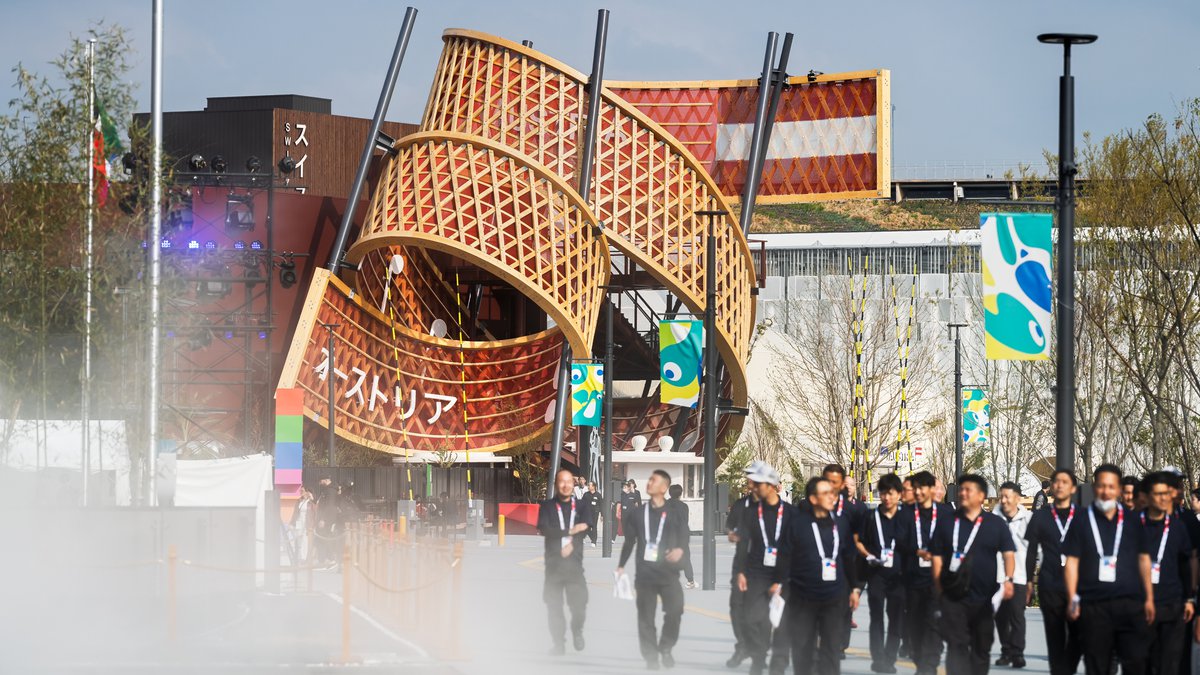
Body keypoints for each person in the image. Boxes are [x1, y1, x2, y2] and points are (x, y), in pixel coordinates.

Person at [1063, 463, 1154, 675]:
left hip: (1130, 604)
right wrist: (1072, 598)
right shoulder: (1081, 520)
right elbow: (1072, 563)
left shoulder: (1134, 521)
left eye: (1111, 487)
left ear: (1119, 489)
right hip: (1093, 606)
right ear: (1095, 488)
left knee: (1136, 661)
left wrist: (1149, 597)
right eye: (1101, 486)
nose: (1106, 492)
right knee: (1098, 665)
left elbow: (1144, 560)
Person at [931, 473, 1016, 675]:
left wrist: (1009, 580)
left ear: (981, 496)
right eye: (961, 489)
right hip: (953, 597)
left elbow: (1008, 555)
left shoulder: (995, 524)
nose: (963, 493)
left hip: (984, 599)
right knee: (956, 646)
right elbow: (936, 558)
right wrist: (940, 589)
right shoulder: (946, 522)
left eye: (968, 490)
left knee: (981, 648)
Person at [786, 476, 861, 675]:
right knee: (803, 649)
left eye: (833, 493)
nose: (832, 497)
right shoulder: (798, 525)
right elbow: (785, 559)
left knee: (831, 650)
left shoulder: (841, 523)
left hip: (833, 597)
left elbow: (847, 556)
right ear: (813, 498)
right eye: (826, 493)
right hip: (803, 597)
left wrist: (854, 587)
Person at [617, 470, 688, 670]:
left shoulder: (674, 512)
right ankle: (651, 657)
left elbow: (684, 534)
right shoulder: (638, 514)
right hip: (645, 575)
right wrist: (621, 565)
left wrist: (680, 549)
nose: (649, 483)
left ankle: (665, 647)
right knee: (645, 618)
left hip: (668, 573)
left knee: (675, 611)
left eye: (653, 480)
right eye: (649, 479)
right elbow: (630, 542)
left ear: (664, 488)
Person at [732, 463, 794, 675]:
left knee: (779, 621)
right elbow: (743, 543)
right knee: (750, 618)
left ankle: (774, 663)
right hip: (756, 571)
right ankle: (758, 655)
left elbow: (793, 547)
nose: (754, 488)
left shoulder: (790, 514)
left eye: (759, 484)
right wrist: (740, 571)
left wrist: (782, 579)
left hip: (783, 573)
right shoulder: (751, 512)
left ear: (771, 485)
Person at [1023, 469, 1083, 675]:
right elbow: (1031, 550)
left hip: (1078, 584)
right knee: (1054, 635)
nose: (1059, 485)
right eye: (1056, 482)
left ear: (1073, 488)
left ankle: (1066, 669)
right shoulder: (1041, 516)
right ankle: (1059, 670)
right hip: (1050, 582)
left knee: (1079, 634)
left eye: (1065, 482)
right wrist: (1029, 582)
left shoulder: (1083, 516)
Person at [1138, 472, 1196, 675]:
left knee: (1170, 662)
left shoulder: (1178, 526)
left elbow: (1185, 564)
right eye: (1157, 493)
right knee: (1146, 661)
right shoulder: (1134, 525)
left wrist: (1189, 598)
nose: (1163, 498)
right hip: (1141, 604)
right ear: (1146, 496)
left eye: (1166, 493)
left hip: (1173, 602)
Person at [855, 473, 907, 674]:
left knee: (896, 618)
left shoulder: (906, 518)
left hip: (899, 576)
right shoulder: (870, 516)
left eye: (890, 493)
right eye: (883, 493)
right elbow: (858, 541)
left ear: (899, 495)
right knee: (876, 617)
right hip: (876, 573)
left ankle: (890, 659)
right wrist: (867, 555)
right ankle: (877, 659)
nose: (886, 497)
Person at [898, 470, 948, 675]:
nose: (917, 492)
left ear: (931, 489)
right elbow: (898, 543)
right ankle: (921, 662)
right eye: (915, 488)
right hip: (912, 579)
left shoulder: (945, 514)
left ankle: (930, 664)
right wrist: (915, 550)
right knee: (915, 625)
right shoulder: (905, 514)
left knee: (934, 622)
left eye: (922, 487)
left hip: (937, 580)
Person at [538, 468, 593, 655]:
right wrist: (569, 532)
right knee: (554, 607)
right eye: (562, 481)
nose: (566, 485)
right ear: (556, 484)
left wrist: (574, 539)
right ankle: (558, 643)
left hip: (574, 566)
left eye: (569, 482)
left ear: (574, 484)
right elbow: (544, 529)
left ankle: (577, 630)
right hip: (553, 566)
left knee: (580, 603)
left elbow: (586, 525)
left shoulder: (582, 506)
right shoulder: (547, 506)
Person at [822, 464, 866, 654]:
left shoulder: (853, 510)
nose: (832, 486)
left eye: (836, 482)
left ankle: (840, 645)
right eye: (828, 481)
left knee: (843, 608)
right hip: (819, 567)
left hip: (845, 566)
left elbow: (860, 539)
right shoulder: (812, 506)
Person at [726, 461, 763, 669]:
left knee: (760, 611)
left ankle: (759, 649)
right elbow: (730, 525)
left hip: (767, 567)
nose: (749, 479)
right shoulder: (742, 504)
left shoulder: (773, 506)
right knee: (736, 606)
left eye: (752, 476)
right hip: (741, 563)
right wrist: (731, 534)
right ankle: (743, 645)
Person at [992, 481, 1031, 669]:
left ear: (1017, 498)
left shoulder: (1028, 519)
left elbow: (1035, 550)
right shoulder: (993, 517)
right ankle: (1006, 651)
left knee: (1017, 615)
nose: (1004, 500)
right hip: (997, 576)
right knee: (1000, 616)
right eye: (1001, 496)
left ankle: (1018, 653)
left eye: (1007, 496)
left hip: (1020, 575)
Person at [667, 484, 697, 589]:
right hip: (681, 536)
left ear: (669, 493)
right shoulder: (684, 506)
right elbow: (685, 522)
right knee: (686, 558)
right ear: (680, 494)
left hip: (668, 536)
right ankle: (690, 581)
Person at [583, 481, 603, 547]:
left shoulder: (598, 495)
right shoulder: (586, 494)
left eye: (590, 485)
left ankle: (594, 542)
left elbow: (601, 505)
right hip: (587, 513)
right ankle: (593, 538)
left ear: (594, 486)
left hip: (595, 513)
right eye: (588, 485)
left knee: (594, 527)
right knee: (587, 528)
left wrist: (602, 515)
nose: (588, 486)